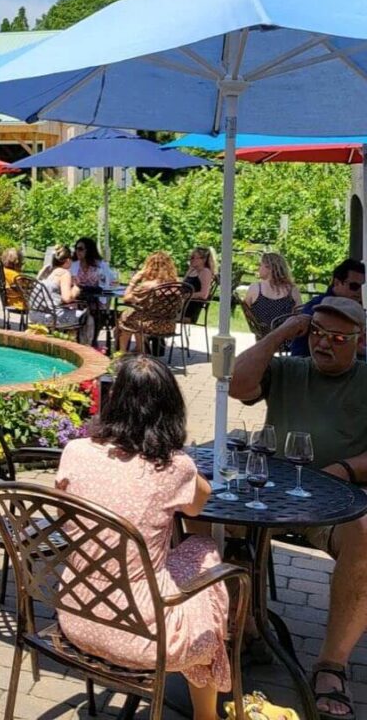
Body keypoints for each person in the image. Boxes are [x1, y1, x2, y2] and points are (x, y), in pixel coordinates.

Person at [56, 356, 232, 720]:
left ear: (114, 400)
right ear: (170, 410)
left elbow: (64, 515)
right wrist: (182, 459)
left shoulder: (74, 451)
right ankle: (207, 714)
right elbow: (199, 505)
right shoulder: (173, 466)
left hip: (75, 616)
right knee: (203, 552)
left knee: (171, 560)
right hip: (144, 637)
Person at [231, 298, 367, 718]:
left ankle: (331, 666)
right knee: (208, 517)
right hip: (269, 495)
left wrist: (343, 470)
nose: (324, 344)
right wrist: (281, 333)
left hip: (337, 503)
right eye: (317, 334)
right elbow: (236, 385)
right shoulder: (289, 369)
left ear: (358, 343)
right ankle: (246, 632)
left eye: (337, 338)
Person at [289, 258, 365, 358]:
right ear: (337, 283)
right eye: (354, 286)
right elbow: (346, 346)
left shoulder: (351, 307)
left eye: (363, 287)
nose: (359, 291)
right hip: (312, 362)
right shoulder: (320, 307)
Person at [116, 251, 179, 353]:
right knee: (136, 316)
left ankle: (122, 352)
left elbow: (126, 298)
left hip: (149, 325)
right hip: (169, 325)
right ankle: (139, 349)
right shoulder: (176, 285)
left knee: (126, 316)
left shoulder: (148, 286)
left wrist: (133, 282)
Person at [29, 245, 88, 331]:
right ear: (68, 260)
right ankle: (82, 343)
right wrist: (76, 288)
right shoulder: (64, 273)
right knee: (87, 317)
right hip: (52, 317)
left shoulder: (46, 270)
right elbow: (67, 298)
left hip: (34, 314)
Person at [243, 251, 301, 333]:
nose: (258, 268)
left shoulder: (255, 288)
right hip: (286, 338)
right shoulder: (292, 290)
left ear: (269, 268)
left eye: (260, 265)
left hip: (263, 339)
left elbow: (246, 311)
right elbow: (299, 314)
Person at [181, 246, 217, 321]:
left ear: (203, 259)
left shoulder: (205, 272)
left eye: (194, 257)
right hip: (182, 303)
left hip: (192, 305)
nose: (191, 260)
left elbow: (204, 294)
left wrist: (187, 296)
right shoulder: (192, 270)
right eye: (191, 257)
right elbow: (182, 285)